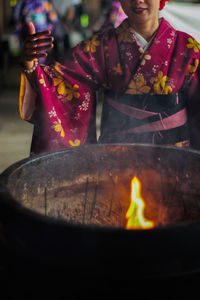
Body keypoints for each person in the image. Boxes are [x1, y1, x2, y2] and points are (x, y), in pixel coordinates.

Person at [19, 0, 200, 155]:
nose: (138, 0)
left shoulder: (188, 48)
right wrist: (30, 64)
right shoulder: (102, 47)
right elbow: (64, 81)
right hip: (117, 155)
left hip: (174, 157)